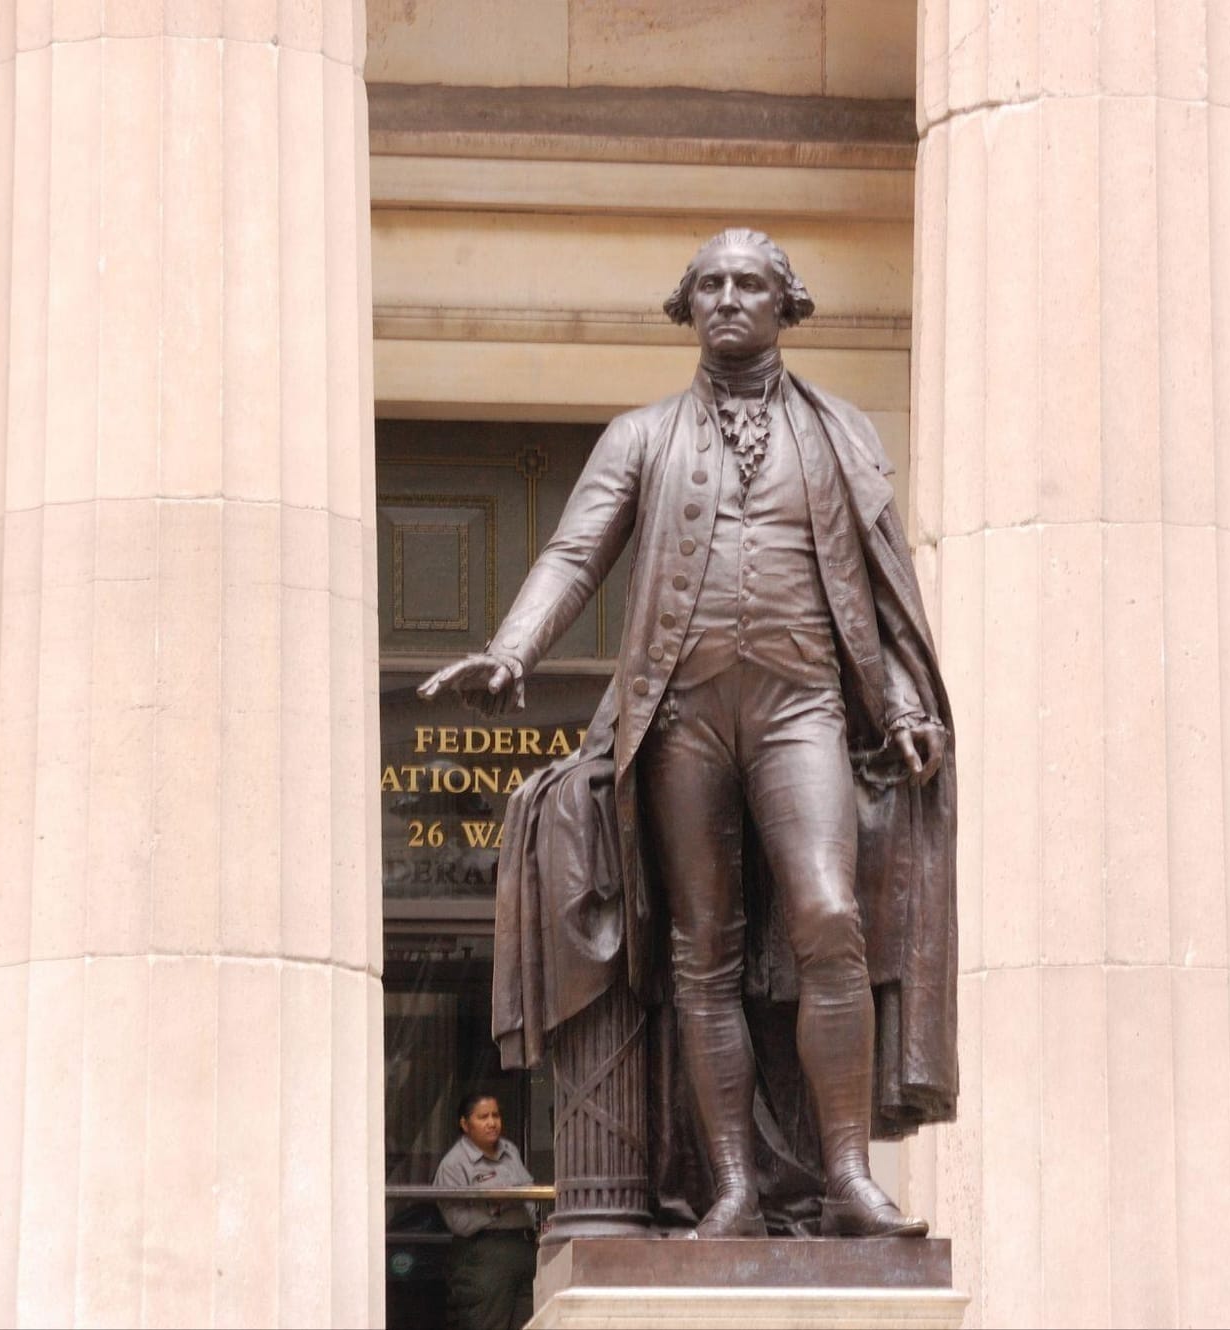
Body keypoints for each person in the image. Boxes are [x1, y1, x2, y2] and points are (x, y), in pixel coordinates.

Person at [421, 229, 957, 1238]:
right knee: (699, 953)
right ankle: (731, 1187)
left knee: (829, 916)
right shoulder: (639, 436)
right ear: (686, 305)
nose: (725, 298)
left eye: (748, 283)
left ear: (784, 303)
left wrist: (900, 709)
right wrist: (511, 649)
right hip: (679, 714)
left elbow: (875, 595)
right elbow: (576, 553)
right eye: (707, 283)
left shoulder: (840, 433)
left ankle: (846, 1174)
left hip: (802, 708)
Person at [434, 1092, 537, 1330]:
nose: (492, 1123)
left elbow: (530, 1195)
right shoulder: (454, 1164)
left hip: (523, 1250)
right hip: (483, 1257)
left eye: (496, 1115)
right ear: (465, 1124)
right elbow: (458, 1221)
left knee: (530, 1324)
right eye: (483, 1117)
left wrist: (539, 1228)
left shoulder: (509, 1150)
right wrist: (496, 1206)